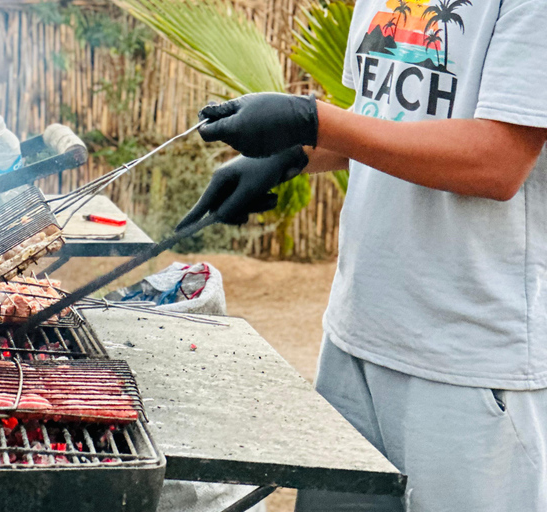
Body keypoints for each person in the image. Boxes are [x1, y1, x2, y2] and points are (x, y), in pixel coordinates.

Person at [177, 1, 547, 510]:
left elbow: (499, 160)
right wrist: (296, 154)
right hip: (356, 336)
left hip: (468, 360)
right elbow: (383, 117)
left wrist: (311, 121)